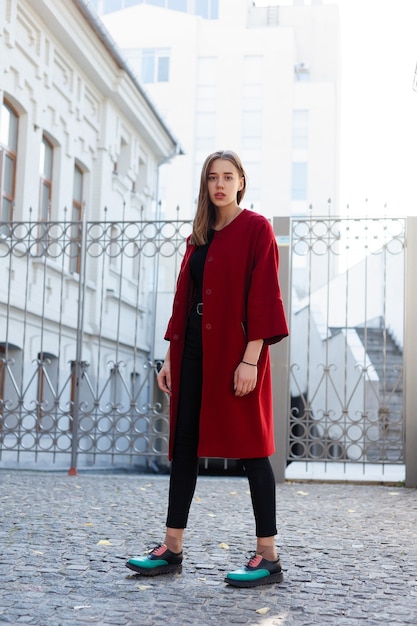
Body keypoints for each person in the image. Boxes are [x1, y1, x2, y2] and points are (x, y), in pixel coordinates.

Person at [126, 150, 289, 588]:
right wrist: (171, 359)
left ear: (241, 182)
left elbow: (265, 296)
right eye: (212, 177)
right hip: (194, 349)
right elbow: (183, 299)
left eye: (228, 176)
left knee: (253, 449)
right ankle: (171, 547)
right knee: (183, 446)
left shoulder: (257, 229)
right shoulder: (198, 234)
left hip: (236, 352)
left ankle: (268, 555)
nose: (219, 184)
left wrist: (250, 359)